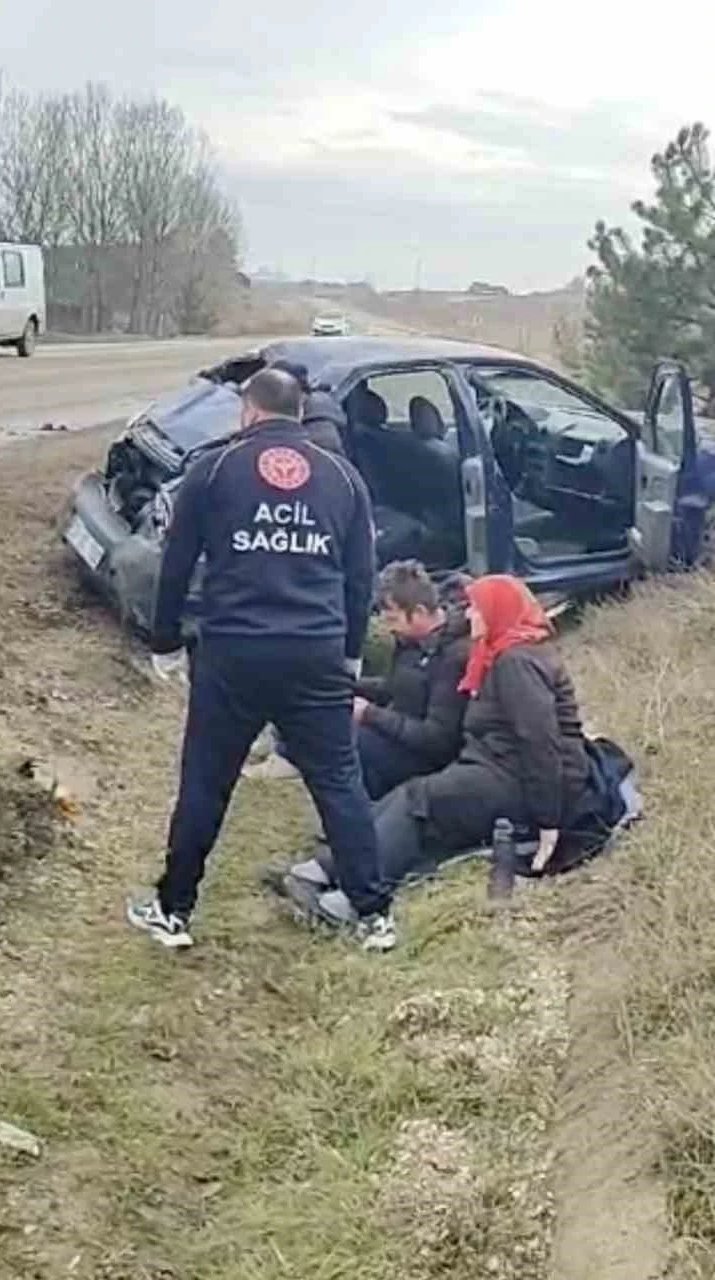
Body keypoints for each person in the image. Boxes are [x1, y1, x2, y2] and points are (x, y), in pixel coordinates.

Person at [127, 366, 397, 952]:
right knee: (337, 781)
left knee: (206, 782)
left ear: (248, 412)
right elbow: (359, 579)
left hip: (232, 653)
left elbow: (175, 564)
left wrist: (165, 642)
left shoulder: (216, 469)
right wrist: (350, 653)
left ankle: (174, 910)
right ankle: (374, 915)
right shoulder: (343, 478)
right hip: (315, 652)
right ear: (300, 412)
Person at [286, 574, 639, 921]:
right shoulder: (504, 654)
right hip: (495, 766)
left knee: (417, 801)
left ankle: (354, 901)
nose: (469, 616)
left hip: (512, 780)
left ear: (499, 612)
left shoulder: (517, 664)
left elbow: (540, 743)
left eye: (478, 610)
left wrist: (549, 821)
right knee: (403, 797)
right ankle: (326, 867)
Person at [351, 561, 470, 800]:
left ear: (419, 613)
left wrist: (370, 714)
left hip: (429, 758)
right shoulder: (410, 643)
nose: (388, 628)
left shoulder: (453, 656)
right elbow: (394, 688)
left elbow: (438, 738)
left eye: (393, 619)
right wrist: (349, 686)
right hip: (401, 736)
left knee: (346, 739)